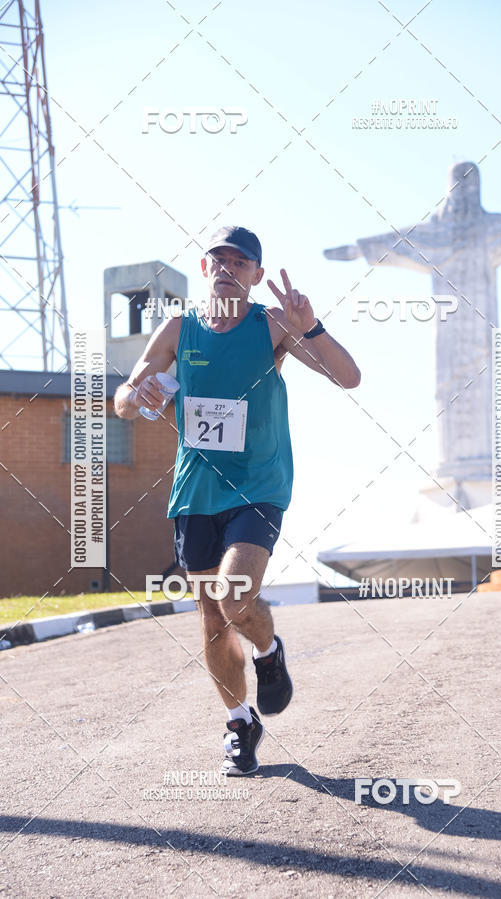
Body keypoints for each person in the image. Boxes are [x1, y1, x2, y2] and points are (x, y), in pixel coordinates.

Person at [114, 225, 361, 775]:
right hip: (195, 492)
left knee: (234, 593)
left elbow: (348, 378)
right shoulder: (178, 330)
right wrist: (139, 391)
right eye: (218, 260)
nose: (227, 268)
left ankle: (269, 653)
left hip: (258, 487)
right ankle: (240, 723)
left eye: (240, 262)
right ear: (205, 269)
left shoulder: (271, 324)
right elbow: (124, 401)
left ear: (256, 274)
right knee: (212, 619)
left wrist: (310, 326)